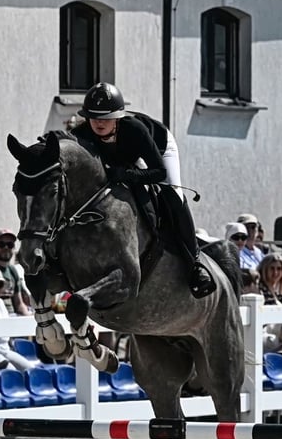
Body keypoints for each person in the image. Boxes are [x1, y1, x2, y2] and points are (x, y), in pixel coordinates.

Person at [71, 81, 215, 298]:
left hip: (158, 148)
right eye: (94, 117)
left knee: (172, 194)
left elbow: (159, 172)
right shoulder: (81, 135)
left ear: (117, 118)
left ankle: (194, 264)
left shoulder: (134, 130)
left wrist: (128, 175)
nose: (99, 122)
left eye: (106, 117)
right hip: (122, 159)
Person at [257, 253, 282, 354]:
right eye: (272, 268)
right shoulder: (259, 289)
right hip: (264, 332)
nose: (275, 272)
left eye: (279, 269)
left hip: (280, 332)